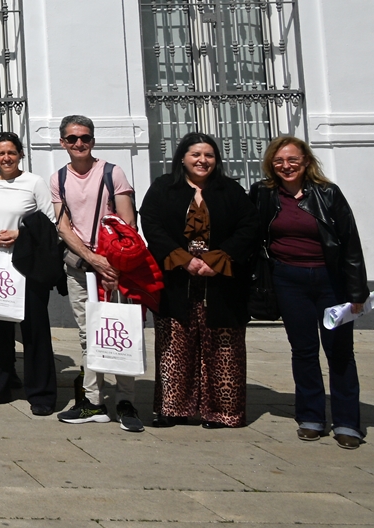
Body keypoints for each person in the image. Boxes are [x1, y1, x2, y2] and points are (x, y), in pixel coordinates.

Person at [252, 136, 366, 448]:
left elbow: (351, 244)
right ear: (271, 164)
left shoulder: (328, 193)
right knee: (303, 351)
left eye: (292, 160)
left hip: (332, 283)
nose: (286, 166)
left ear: (306, 162)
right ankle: (311, 417)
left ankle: (347, 422)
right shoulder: (264, 194)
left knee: (339, 352)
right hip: (289, 281)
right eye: (279, 160)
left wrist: (357, 293)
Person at [141, 133, 259, 429]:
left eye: (208, 155)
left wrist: (219, 259)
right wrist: (183, 258)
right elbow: (151, 225)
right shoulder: (163, 188)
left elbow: (249, 227)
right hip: (176, 277)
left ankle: (223, 412)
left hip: (222, 279)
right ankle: (172, 408)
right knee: (174, 343)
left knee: (223, 346)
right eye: (196, 154)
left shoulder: (230, 190)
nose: (202, 160)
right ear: (182, 158)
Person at [51, 115, 143, 431]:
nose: (79, 144)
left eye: (85, 138)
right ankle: (93, 402)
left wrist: (112, 264)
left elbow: (128, 223)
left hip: (116, 267)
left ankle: (126, 401)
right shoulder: (58, 178)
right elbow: (63, 226)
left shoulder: (112, 173)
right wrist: (91, 257)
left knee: (120, 332)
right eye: (72, 138)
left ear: (93, 140)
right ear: (63, 142)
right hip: (80, 267)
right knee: (89, 334)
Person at [0, 131, 57, 415]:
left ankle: (41, 394)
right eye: (0, 153)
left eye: (11, 152)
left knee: (34, 332)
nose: (6, 158)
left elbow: (49, 224)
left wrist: (21, 234)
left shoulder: (34, 183)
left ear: (20, 154)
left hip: (27, 267)